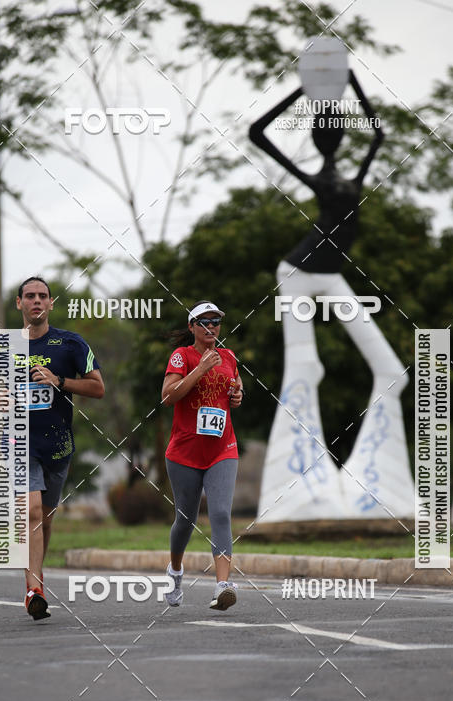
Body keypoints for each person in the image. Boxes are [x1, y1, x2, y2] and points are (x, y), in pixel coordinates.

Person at [249, 64, 413, 521]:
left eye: (335, 128)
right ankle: (301, 489)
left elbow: (377, 133)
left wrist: (347, 83)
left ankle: (373, 487)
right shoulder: (319, 180)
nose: (332, 134)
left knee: (391, 370)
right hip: (297, 273)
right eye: (328, 128)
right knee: (304, 368)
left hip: (330, 275)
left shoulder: (350, 176)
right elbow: (258, 133)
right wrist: (305, 90)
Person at [0, 276, 105, 619]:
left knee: (45, 520)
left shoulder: (69, 344)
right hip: (17, 442)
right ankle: (33, 589)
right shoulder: (6, 345)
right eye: (29, 296)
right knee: (30, 513)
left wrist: (59, 381)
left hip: (58, 445)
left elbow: (97, 388)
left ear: (50, 303)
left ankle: (37, 574)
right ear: (18, 303)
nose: (36, 301)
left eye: (42, 296)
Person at [161, 302, 243, 610]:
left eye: (216, 322)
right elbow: (168, 396)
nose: (211, 327)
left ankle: (223, 585)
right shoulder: (182, 356)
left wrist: (237, 396)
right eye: (204, 322)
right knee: (186, 519)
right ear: (192, 326)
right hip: (184, 453)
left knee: (221, 512)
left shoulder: (229, 356)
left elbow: (235, 385)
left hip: (223, 449)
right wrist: (200, 370)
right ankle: (176, 572)